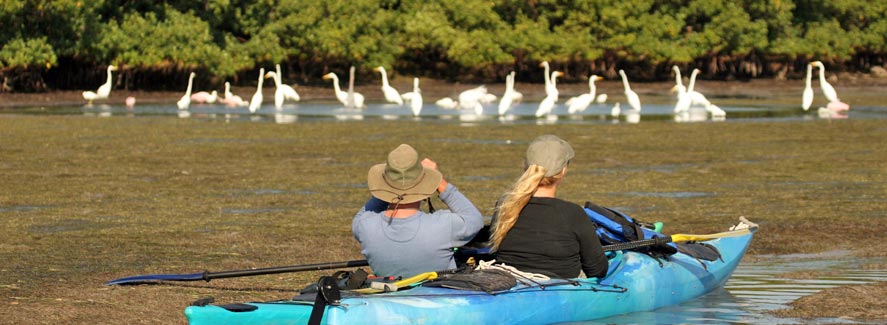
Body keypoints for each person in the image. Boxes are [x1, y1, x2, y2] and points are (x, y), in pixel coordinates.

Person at [353, 144, 483, 278]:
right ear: (424, 185)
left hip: (389, 294)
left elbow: (364, 213)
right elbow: (474, 219)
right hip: (439, 295)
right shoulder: (444, 225)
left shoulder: (365, 225)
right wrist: (439, 181)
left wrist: (391, 187)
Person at [489, 135, 609, 279]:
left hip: (511, 283)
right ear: (563, 170)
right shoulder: (572, 213)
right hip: (560, 290)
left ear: (524, 166)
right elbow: (598, 270)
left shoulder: (504, 205)